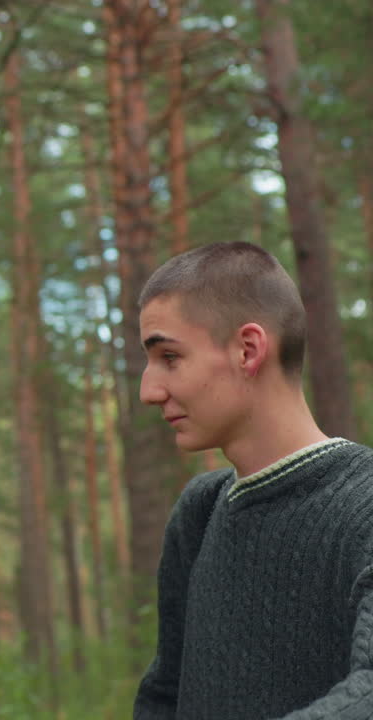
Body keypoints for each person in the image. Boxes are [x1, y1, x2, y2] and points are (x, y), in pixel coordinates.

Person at [133, 241, 373, 719]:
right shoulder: (200, 511)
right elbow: (165, 694)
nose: (148, 390)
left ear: (248, 349)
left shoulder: (365, 503)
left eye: (170, 357)